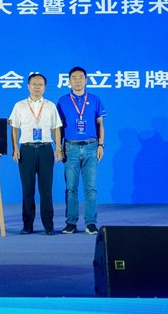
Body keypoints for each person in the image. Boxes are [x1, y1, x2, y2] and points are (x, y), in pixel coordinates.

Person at [9, 73, 63, 235]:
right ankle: (27, 225)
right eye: (34, 84)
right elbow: (14, 128)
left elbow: (56, 128)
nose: (37, 87)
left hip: (46, 150)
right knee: (27, 190)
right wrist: (15, 148)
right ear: (28, 86)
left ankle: (49, 225)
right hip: (26, 150)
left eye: (40, 85)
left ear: (44, 88)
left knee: (46, 190)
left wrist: (58, 148)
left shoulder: (50, 106)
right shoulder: (19, 105)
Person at [57, 67, 106, 235]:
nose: (77, 80)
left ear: (86, 80)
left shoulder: (95, 99)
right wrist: (59, 148)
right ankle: (71, 222)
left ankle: (91, 223)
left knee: (90, 188)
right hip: (70, 148)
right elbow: (58, 127)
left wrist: (101, 145)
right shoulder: (63, 101)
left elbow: (100, 124)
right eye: (74, 77)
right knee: (71, 188)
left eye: (81, 77)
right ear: (69, 81)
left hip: (91, 147)